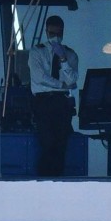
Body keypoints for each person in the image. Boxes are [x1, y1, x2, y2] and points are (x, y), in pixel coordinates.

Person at [28, 15, 78, 176]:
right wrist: (61, 85)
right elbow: (39, 77)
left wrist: (63, 59)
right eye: (51, 33)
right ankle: (44, 180)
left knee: (61, 145)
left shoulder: (70, 54)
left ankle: (58, 180)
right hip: (43, 101)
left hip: (62, 103)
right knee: (47, 142)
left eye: (58, 33)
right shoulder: (37, 51)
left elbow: (72, 79)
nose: (55, 37)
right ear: (46, 32)